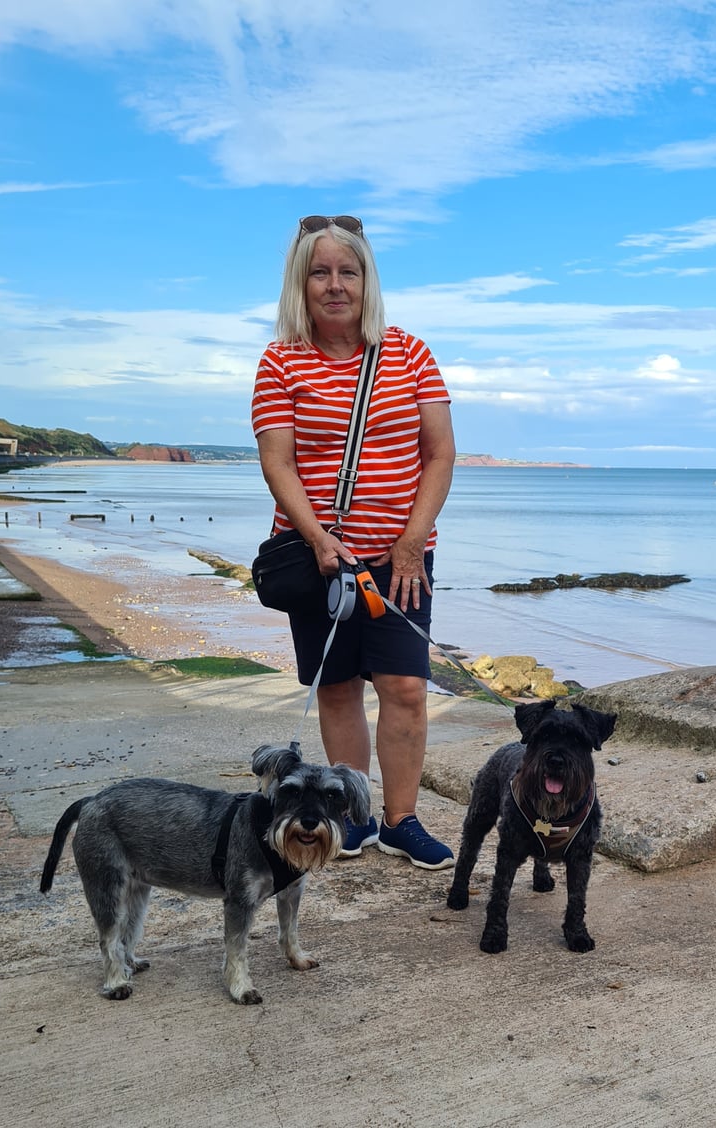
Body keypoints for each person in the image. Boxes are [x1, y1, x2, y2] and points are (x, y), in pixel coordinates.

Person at [251, 214, 456, 870]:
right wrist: (317, 537)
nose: (335, 285)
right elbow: (277, 462)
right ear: (300, 283)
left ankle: (400, 821)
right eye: (320, 272)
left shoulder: (409, 352)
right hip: (318, 560)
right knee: (337, 688)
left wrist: (410, 541)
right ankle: (353, 820)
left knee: (404, 687)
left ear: (367, 281)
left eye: (349, 271)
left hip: (401, 560)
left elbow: (440, 453)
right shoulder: (281, 359)